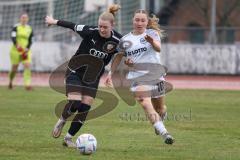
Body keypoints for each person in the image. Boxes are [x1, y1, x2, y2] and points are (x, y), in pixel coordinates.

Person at [45, 4, 122, 147]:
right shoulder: (90, 31)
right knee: (75, 101)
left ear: (113, 25)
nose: (102, 29)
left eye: (105, 27)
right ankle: (62, 119)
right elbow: (72, 25)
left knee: (85, 106)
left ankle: (68, 139)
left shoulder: (118, 40)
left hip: (93, 77)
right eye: (100, 26)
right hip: (76, 70)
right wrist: (54, 21)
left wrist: (112, 73)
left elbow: (121, 54)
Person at [105, 9, 174, 144]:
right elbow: (118, 57)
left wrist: (152, 42)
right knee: (143, 101)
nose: (139, 23)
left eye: (143, 20)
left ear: (147, 22)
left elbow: (158, 48)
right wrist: (110, 73)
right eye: (137, 20)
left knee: (160, 109)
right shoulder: (125, 39)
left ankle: (160, 119)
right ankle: (165, 133)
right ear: (132, 21)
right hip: (137, 77)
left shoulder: (152, 33)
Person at [8, 13, 34, 90]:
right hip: (15, 50)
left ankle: (27, 85)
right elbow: (13, 37)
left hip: (25, 51)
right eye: (23, 17)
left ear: (27, 19)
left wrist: (27, 48)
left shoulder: (29, 28)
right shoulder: (16, 27)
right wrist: (17, 45)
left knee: (27, 65)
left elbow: (31, 40)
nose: (24, 19)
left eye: (26, 18)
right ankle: (10, 81)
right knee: (14, 68)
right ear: (20, 19)